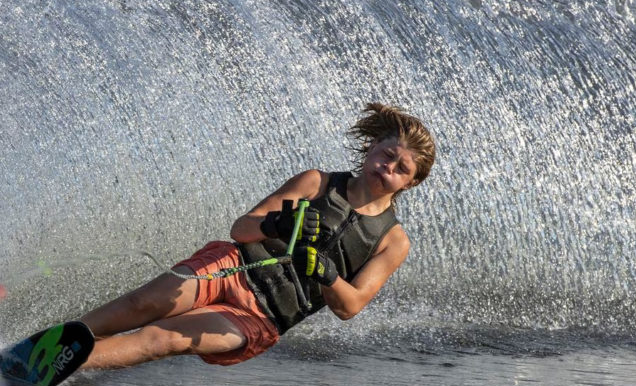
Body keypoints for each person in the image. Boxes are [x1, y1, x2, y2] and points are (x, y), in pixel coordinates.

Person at [79, 102, 436, 370]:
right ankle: (55, 344)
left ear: (411, 182)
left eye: (401, 169)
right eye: (387, 155)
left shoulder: (393, 241)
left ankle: (69, 365)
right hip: (233, 268)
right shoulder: (317, 183)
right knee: (140, 306)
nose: (388, 167)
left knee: (164, 338)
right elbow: (241, 229)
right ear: (372, 147)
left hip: (262, 316)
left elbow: (350, 306)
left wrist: (326, 273)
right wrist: (274, 227)